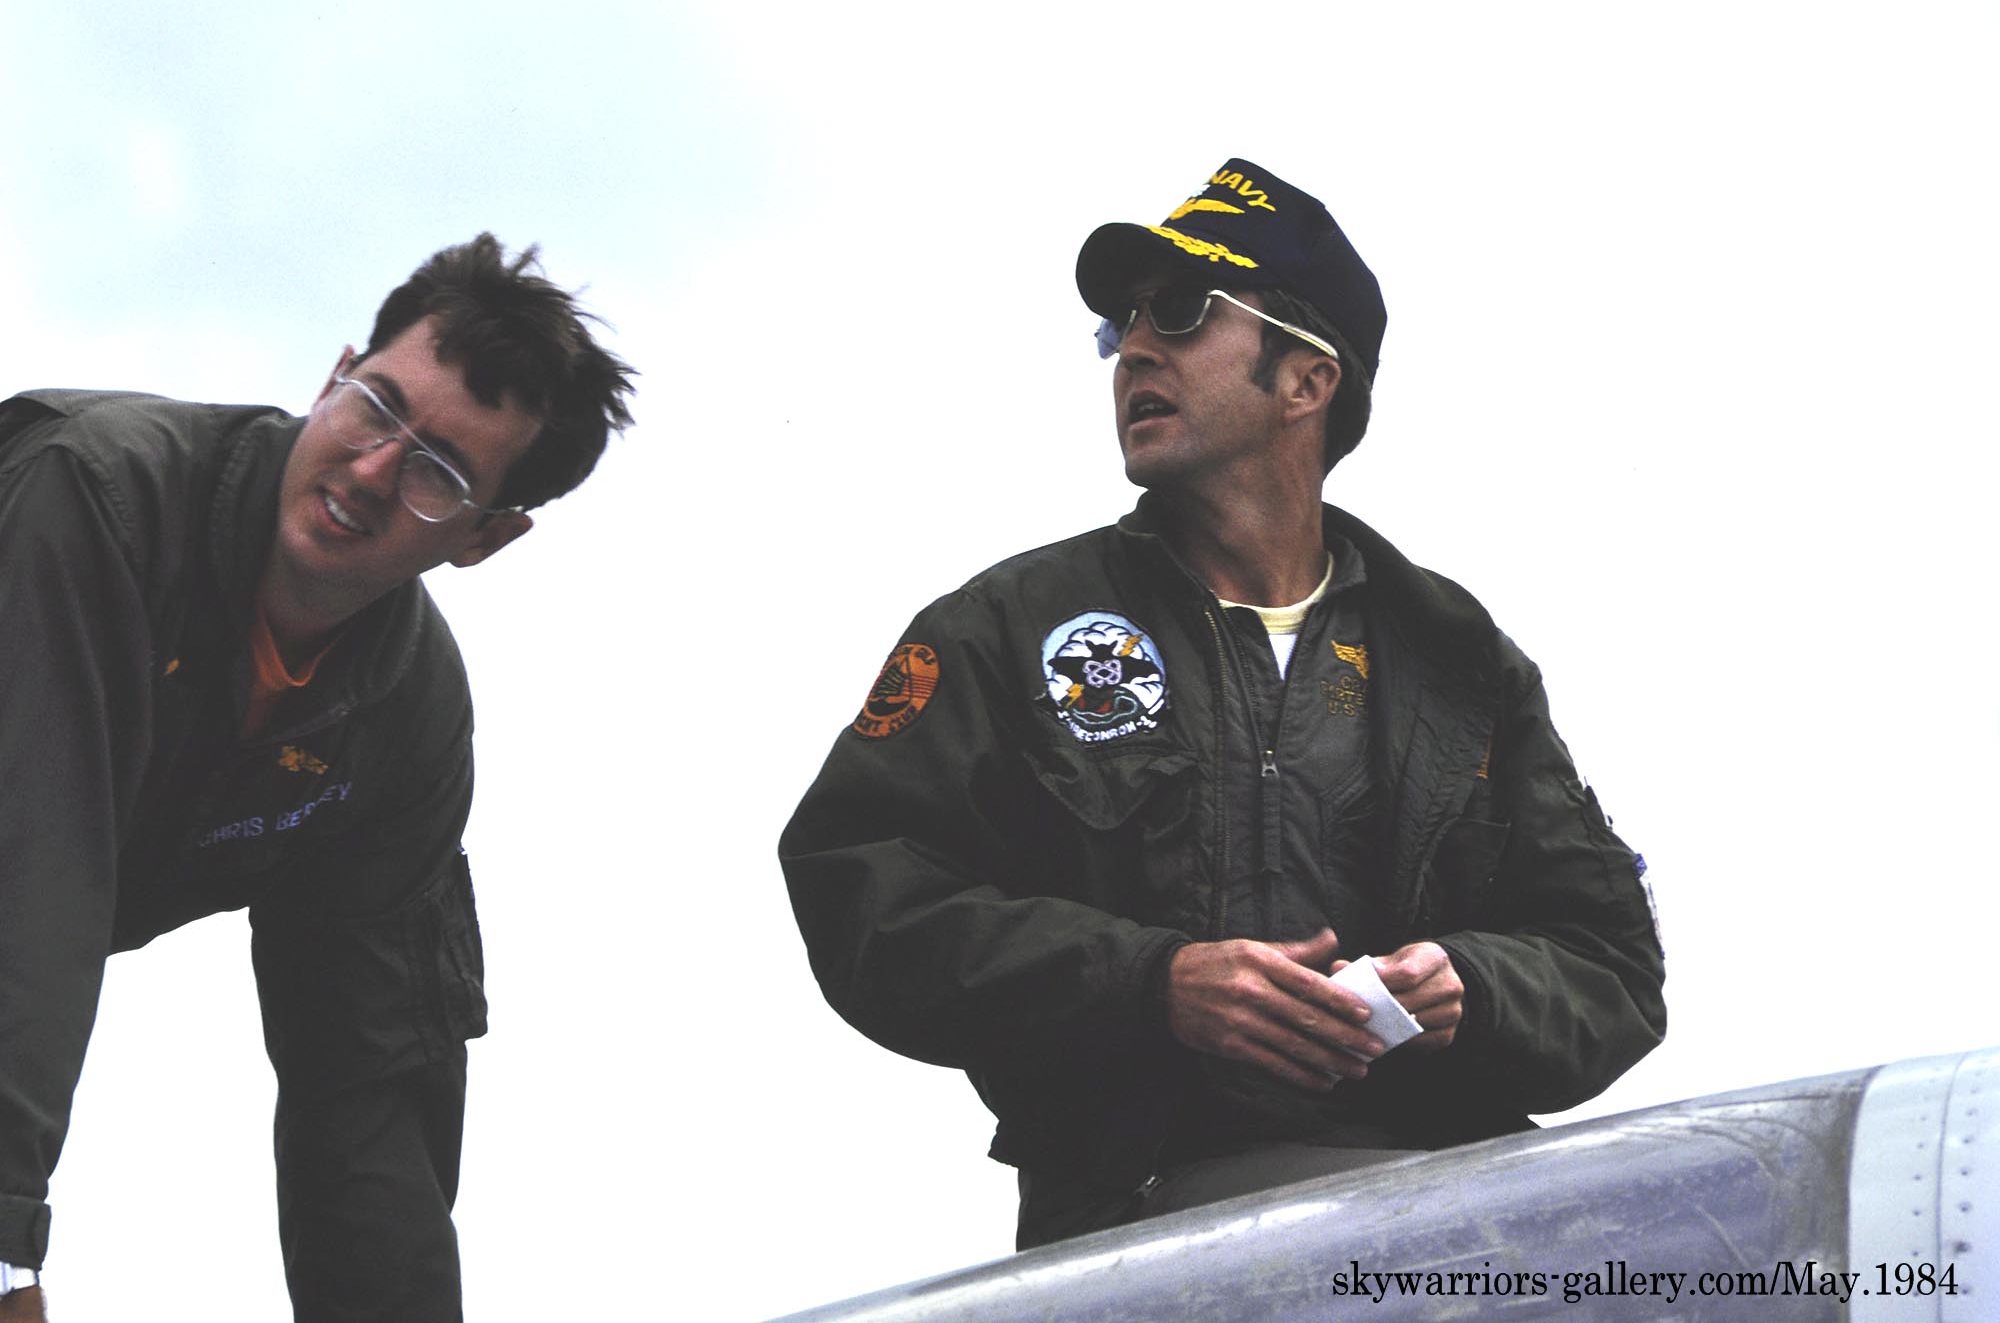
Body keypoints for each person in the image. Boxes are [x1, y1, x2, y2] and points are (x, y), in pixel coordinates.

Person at [779, 159, 1666, 1250]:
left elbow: (1611, 967)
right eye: (1121, 326)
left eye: (1183, 311)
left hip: (1441, 1234)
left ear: (1305, 381)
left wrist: (1469, 988)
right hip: (1134, 1237)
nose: (1134, 348)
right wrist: (1151, 983)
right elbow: (859, 890)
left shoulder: (1458, 659)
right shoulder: (1004, 626)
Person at [0, 234, 635, 1320]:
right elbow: (26, 882)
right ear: (335, 374)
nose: (372, 471)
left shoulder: (404, 724)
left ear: (486, 538)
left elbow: (369, 1086)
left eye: (438, 472)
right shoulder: (98, 498)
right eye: (377, 407)